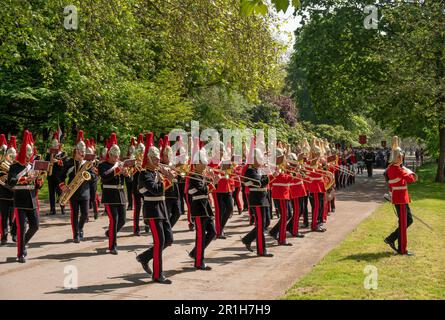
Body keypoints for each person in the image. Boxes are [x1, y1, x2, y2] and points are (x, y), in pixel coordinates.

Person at [136, 142, 174, 284]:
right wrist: (167, 179)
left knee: (168, 240)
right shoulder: (144, 175)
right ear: (149, 159)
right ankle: (158, 274)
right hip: (152, 211)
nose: (159, 160)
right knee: (159, 242)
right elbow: (156, 190)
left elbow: (163, 189)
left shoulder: (156, 173)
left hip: (162, 209)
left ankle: (144, 257)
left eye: (159, 158)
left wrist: (167, 178)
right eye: (156, 158)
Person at [8, 130, 43, 263]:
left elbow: (37, 185)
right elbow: (10, 182)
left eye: (31, 153)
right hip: (20, 200)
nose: (29, 156)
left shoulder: (32, 166)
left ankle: (23, 244)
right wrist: (25, 177)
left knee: (35, 226)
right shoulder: (15, 167)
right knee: (22, 228)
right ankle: (20, 253)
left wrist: (39, 180)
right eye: (28, 153)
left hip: (32, 199)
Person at [59, 131, 96, 243]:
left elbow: (94, 177)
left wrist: (89, 176)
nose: (83, 154)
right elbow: (60, 176)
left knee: (84, 214)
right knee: (74, 214)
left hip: (85, 191)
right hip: (72, 192)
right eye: (81, 152)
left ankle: (80, 228)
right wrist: (63, 186)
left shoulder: (87, 163)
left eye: (84, 152)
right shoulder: (69, 162)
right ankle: (75, 235)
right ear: (76, 151)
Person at [384, 136, 417, 256]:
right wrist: (408, 171)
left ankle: (391, 238)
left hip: (400, 197)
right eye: (399, 157)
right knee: (404, 222)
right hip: (400, 198)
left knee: (407, 220)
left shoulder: (392, 168)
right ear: (395, 157)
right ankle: (402, 249)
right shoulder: (396, 169)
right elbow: (411, 179)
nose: (401, 159)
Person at [188, 148, 217, 270]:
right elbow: (201, 190)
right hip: (199, 208)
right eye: (202, 163)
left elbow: (207, 189)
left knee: (212, 232)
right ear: (196, 163)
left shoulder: (201, 175)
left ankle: (195, 253)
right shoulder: (194, 176)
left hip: (206, 206)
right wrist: (212, 182)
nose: (205, 165)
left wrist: (212, 181)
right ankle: (199, 261)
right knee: (200, 235)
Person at [241, 148, 273, 257]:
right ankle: (261, 250)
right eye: (258, 159)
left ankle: (247, 239)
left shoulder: (258, 169)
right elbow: (260, 183)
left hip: (263, 198)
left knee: (265, 223)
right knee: (260, 225)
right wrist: (270, 176)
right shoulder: (250, 171)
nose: (260, 161)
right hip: (257, 199)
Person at [98, 133, 126, 255]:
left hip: (121, 194)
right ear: (109, 155)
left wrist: (126, 174)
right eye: (115, 156)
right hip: (109, 195)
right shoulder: (102, 165)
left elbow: (127, 181)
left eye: (118, 156)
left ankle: (110, 233)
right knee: (114, 220)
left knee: (122, 221)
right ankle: (112, 246)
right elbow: (104, 178)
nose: (116, 158)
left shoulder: (119, 165)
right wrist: (116, 170)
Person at [0, 136, 17, 244]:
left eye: (13, 155)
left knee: (15, 217)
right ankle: (4, 236)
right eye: (9, 155)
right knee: (4, 217)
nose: (11, 157)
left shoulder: (16, 166)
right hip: (3, 194)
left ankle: (14, 234)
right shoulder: (1, 165)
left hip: (15, 194)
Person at [45, 132, 67, 216]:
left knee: (60, 192)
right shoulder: (48, 154)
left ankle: (62, 208)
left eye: (56, 146)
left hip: (59, 176)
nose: (54, 147)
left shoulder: (63, 154)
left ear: (58, 146)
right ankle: (52, 210)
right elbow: (45, 163)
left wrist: (57, 161)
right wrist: (50, 159)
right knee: (51, 194)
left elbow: (66, 163)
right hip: (50, 176)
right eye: (53, 146)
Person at [131, 133, 147, 236]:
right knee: (137, 208)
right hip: (135, 186)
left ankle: (147, 225)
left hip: (145, 186)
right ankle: (136, 228)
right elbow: (130, 174)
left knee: (146, 206)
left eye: (142, 153)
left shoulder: (146, 162)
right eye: (139, 153)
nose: (141, 155)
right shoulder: (133, 162)